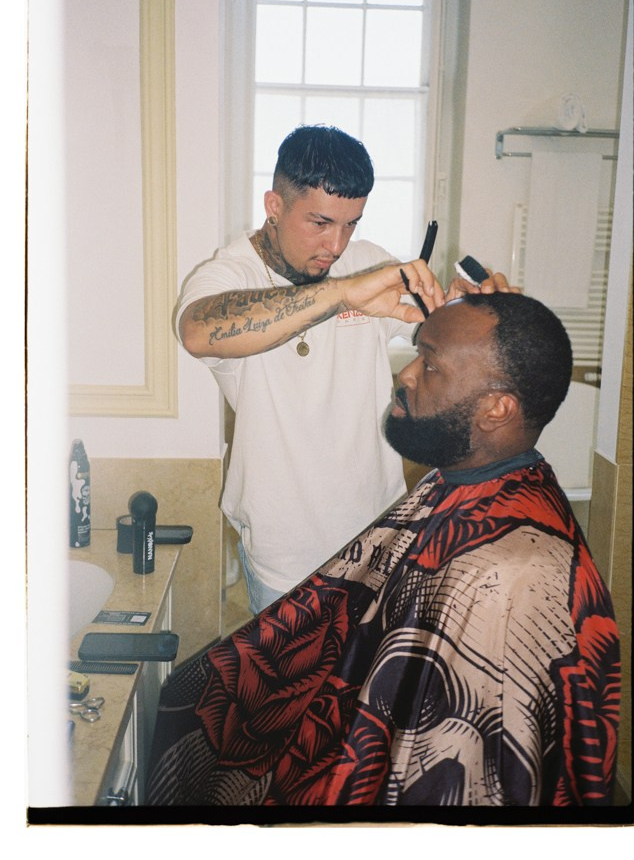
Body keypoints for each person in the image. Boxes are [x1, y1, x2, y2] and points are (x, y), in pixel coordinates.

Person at [148, 292, 620, 808]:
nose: (407, 375)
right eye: (417, 353)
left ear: (496, 408)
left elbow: (469, 782)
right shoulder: (459, 481)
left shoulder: (512, 578)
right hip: (354, 721)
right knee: (188, 699)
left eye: (431, 364)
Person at [177, 124, 512, 613]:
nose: (336, 245)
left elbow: (438, 334)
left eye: (351, 223)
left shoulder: (368, 261)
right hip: (284, 562)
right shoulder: (229, 272)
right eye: (319, 223)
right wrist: (341, 294)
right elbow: (197, 332)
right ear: (274, 205)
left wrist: (483, 315)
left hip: (381, 543)